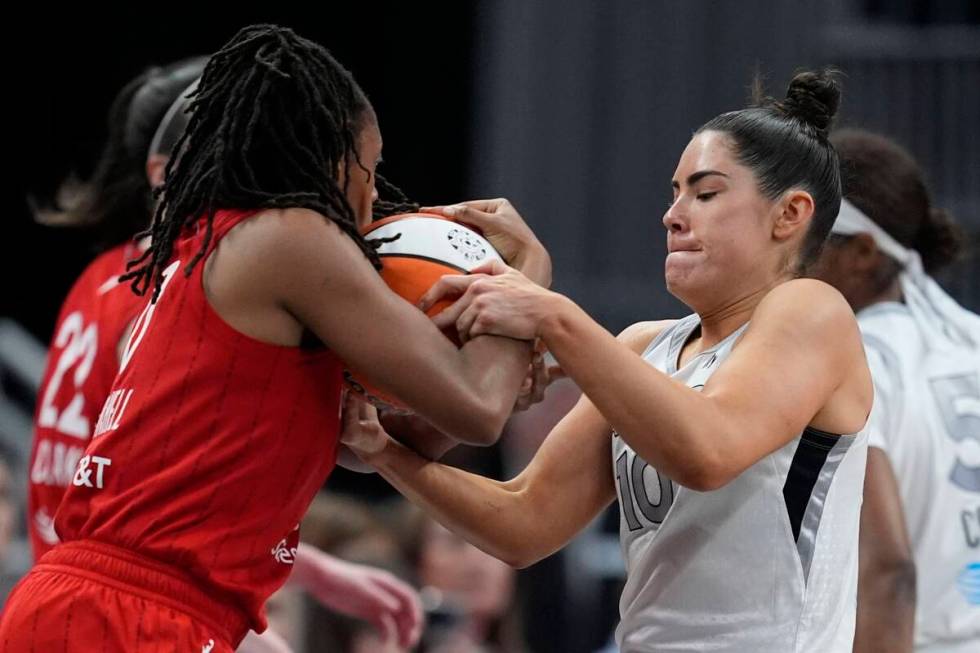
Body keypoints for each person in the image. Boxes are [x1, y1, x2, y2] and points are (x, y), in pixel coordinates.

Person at [3, 24, 549, 650]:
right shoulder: (290, 238)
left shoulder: (225, 255)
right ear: (324, 156)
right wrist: (529, 276)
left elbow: (417, 433)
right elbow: (477, 409)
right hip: (132, 613)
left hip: (128, 606)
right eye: (368, 170)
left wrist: (497, 363)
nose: (373, 201)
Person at [342, 70, 876, 652]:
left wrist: (553, 314)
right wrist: (382, 449)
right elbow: (524, 522)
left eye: (705, 193)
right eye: (674, 193)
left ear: (790, 214)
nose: (673, 214)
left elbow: (709, 450)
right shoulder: (647, 347)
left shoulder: (812, 311)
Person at [811, 129, 980, 653]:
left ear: (862, 251)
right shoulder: (970, 341)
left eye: (804, 234)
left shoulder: (850, 360)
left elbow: (886, 571)